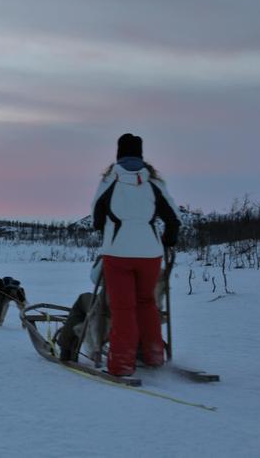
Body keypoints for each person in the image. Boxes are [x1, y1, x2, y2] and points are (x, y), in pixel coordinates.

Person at [91, 133, 180, 376]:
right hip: (150, 255)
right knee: (147, 304)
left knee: (123, 308)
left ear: (118, 153)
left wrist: (110, 227)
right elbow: (173, 219)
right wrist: (167, 240)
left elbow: (97, 218)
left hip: (117, 253)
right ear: (140, 154)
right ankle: (153, 356)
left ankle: (120, 364)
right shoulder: (153, 181)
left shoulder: (110, 179)